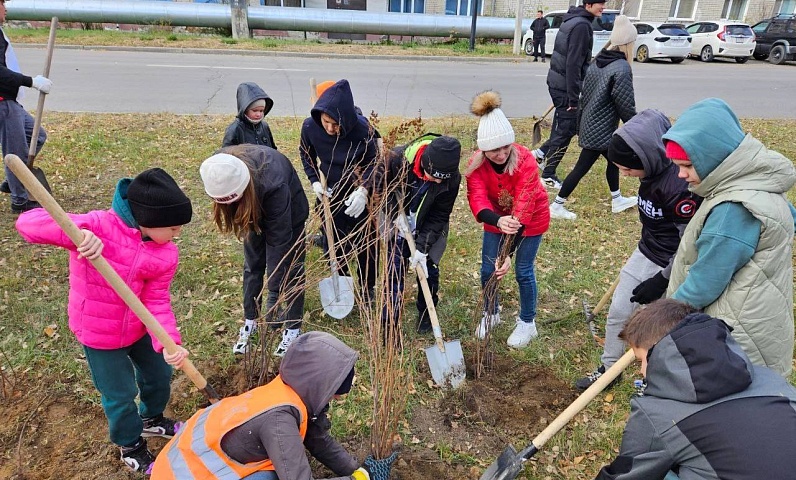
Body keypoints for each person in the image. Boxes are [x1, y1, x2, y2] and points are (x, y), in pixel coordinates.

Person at [15, 168, 193, 474]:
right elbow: (27, 223)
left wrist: (168, 342)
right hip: (98, 332)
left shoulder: (166, 253)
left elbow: (156, 301)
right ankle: (130, 444)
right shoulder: (97, 225)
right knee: (119, 393)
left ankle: (151, 418)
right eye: (174, 228)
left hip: (137, 327)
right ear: (150, 220)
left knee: (159, 374)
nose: (178, 234)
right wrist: (78, 234)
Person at [663, 97, 796, 377]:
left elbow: (704, 282)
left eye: (686, 165)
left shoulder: (732, 210)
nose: (680, 173)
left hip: (739, 333)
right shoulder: (756, 183)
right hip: (763, 316)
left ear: (713, 157)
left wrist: (666, 315)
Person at [151, 331, 399, 480]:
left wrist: (359, 470)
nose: (336, 398)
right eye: (335, 391)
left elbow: (318, 440)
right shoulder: (279, 420)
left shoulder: (286, 393)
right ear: (319, 384)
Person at [595, 298, 796, 480]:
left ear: (663, 352)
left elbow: (625, 474)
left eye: (642, 360)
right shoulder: (771, 379)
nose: (640, 370)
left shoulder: (657, 414)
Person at [573, 109, 701, 391]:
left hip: (673, 263)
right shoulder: (650, 171)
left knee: (659, 327)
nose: (624, 174)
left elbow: (689, 243)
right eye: (619, 167)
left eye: (629, 168)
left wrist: (663, 278)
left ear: (649, 157)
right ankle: (609, 370)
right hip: (647, 251)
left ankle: (654, 380)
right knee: (619, 310)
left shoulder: (679, 187)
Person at [199, 145, 309, 357]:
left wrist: (275, 291)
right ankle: (251, 320)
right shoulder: (218, 169)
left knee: (291, 267)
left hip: (289, 212)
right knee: (253, 263)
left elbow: (279, 244)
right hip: (251, 204)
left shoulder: (274, 183)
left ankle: (293, 328)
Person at [466, 91, 550, 348]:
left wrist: (508, 253)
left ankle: (528, 322)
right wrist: (497, 221)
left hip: (531, 220)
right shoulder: (475, 166)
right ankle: (491, 312)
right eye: (494, 149)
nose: (501, 154)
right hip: (497, 218)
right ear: (483, 149)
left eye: (505, 147)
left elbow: (524, 205)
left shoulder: (525, 161)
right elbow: (477, 198)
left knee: (523, 271)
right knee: (488, 269)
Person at [549, 15, 638, 220]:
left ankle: (617, 199)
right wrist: (636, 126)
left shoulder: (598, 61)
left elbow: (585, 94)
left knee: (614, 161)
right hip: (602, 129)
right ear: (628, 43)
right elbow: (625, 104)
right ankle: (557, 205)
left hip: (593, 124)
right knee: (582, 167)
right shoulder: (622, 68)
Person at [300, 79, 380, 301]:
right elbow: (305, 154)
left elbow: (375, 161)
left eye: (336, 124)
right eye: (326, 122)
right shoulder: (310, 127)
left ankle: (367, 289)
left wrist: (364, 190)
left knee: (367, 245)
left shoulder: (363, 130)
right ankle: (343, 284)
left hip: (358, 195)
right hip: (330, 194)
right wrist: (315, 181)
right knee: (335, 244)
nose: (330, 128)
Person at [384, 134, 461, 334]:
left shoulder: (451, 179)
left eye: (440, 179)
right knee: (394, 268)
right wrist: (394, 215)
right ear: (424, 161)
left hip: (428, 224)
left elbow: (440, 215)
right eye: (432, 175)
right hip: (398, 222)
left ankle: (427, 313)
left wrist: (422, 248)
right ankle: (389, 319)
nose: (435, 180)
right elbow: (381, 191)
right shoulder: (398, 160)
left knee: (429, 271)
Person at [533, 0, 606, 190]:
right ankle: (548, 175)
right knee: (565, 131)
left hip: (558, 83)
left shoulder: (572, 19)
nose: (603, 8)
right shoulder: (581, 25)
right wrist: (574, 97)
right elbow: (573, 63)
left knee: (564, 127)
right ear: (589, 4)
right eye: (600, 4)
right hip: (565, 87)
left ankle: (540, 155)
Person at [0, 0, 51, 213]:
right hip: (3, 103)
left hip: (11, 102)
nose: (6, 8)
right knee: (16, 150)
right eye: (2, 3)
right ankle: (20, 200)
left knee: (37, 135)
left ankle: (11, 179)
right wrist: (31, 81)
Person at [222, 82, 277, 149]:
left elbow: (273, 149)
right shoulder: (235, 129)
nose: (258, 114)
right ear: (245, 109)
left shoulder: (264, 126)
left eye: (261, 111)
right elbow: (226, 153)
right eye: (254, 110)